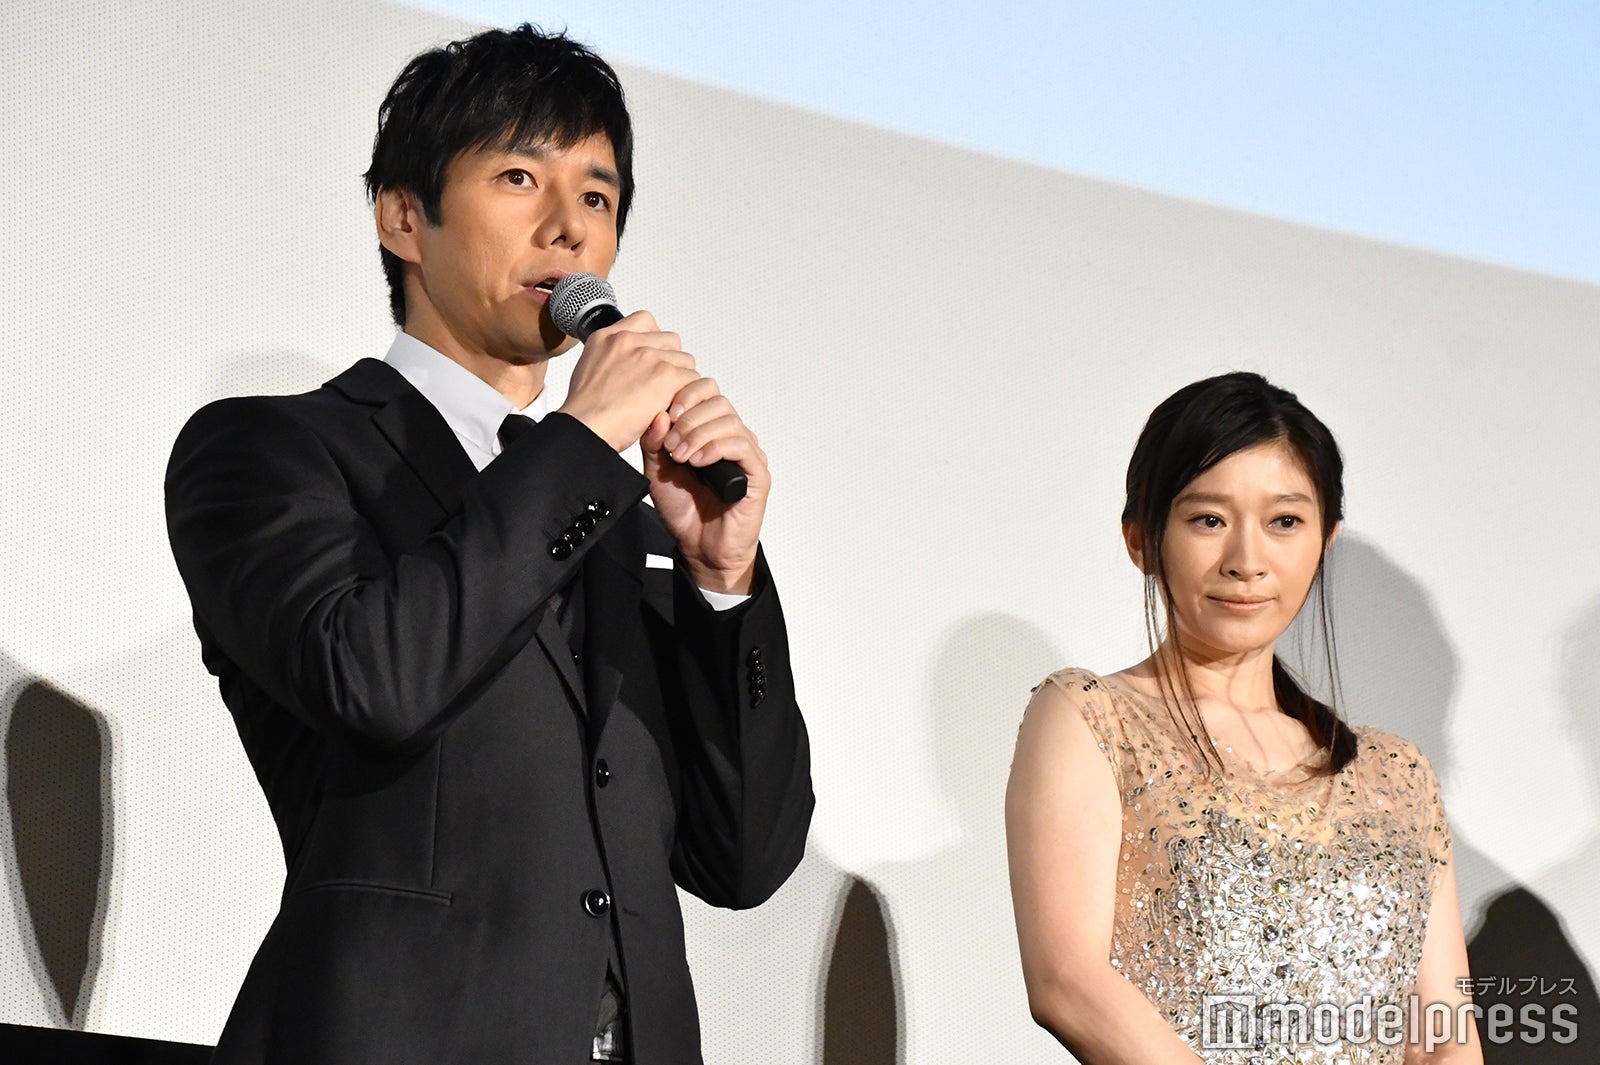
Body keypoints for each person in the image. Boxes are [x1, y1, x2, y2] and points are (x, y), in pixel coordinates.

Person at [164, 25, 812, 1065]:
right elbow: (371, 678)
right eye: (520, 177)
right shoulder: (270, 449)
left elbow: (743, 857)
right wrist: (581, 443)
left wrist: (721, 579)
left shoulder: (612, 521)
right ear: (403, 217)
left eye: (596, 197)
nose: (569, 228)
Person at [1005, 372, 1482, 1064]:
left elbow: (1444, 1030)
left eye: (1284, 522)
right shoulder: (1092, 719)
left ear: (1325, 540)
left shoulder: (1397, 774)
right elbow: (1068, 983)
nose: (1247, 561)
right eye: (1209, 520)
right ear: (1143, 539)